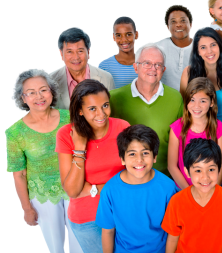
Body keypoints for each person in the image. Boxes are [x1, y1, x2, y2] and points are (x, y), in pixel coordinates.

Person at [6, 68, 82, 253]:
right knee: (55, 247)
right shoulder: (15, 132)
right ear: (23, 98)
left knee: (79, 244)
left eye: (43, 90)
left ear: (51, 91)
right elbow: (19, 174)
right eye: (31, 93)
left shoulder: (69, 118)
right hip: (44, 195)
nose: (38, 96)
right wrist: (26, 209)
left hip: (75, 188)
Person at [56, 79, 130, 252]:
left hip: (122, 211)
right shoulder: (66, 135)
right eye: (92, 109)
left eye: (105, 105)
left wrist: (93, 189)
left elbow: (133, 176)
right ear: (80, 111)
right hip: (88, 219)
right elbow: (73, 190)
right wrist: (80, 150)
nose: (101, 114)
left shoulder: (122, 127)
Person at [96, 124, 178, 253]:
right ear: (122, 159)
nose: (139, 160)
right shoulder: (110, 190)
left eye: (145, 153)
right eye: (132, 154)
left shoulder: (168, 187)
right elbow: (108, 231)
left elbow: (174, 231)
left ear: (154, 157)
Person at [180, 27, 222, 186]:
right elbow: (185, 111)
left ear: (220, 46)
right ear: (197, 51)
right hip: (200, 143)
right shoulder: (189, 74)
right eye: (203, 47)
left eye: (213, 45)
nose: (209, 51)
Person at [162, 138, 222, 253]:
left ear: (219, 170)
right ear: (187, 172)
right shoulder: (176, 201)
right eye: (198, 170)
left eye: (211, 169)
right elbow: (172, 240)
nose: (205, 177)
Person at [109, 44, 183, 176]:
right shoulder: (114, 98)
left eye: (158, 65)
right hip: (126, 177)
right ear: (136, 67)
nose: (153, 69)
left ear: (163, 70)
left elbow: (182, 141)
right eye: (147, 63)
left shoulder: (176, 98)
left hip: (165, 177)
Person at [168, 77, 222, 189]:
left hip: (211, 188)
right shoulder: (177, 128)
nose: (196, 106)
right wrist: (189, 193)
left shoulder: (219, 128)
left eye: (203, 101)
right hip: (184, 188)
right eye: (192, 100)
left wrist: (212, 190)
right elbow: (172, 166)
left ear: (211, 102)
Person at [51, 26, 115, 109]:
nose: (76, 57)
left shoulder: (106, 78)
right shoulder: (51, 81)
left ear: (88, 52)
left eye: (80, 51)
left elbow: (112, 113)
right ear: (61, 54)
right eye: (69, 52)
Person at [156, 3, 194, 91]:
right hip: (166, 100)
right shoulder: (158, 47)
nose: (178, 25)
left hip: (194, 101)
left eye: (183, 21)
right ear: (167, 26)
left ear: (191, 24)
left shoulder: (201, 47)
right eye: (173, 21)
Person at [99, 15, 139, 89]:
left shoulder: (145, 64)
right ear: (114, 37)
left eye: (128, 34)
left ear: (136, 35)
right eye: (119, 35)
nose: (124, 40)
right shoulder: (104, 66)